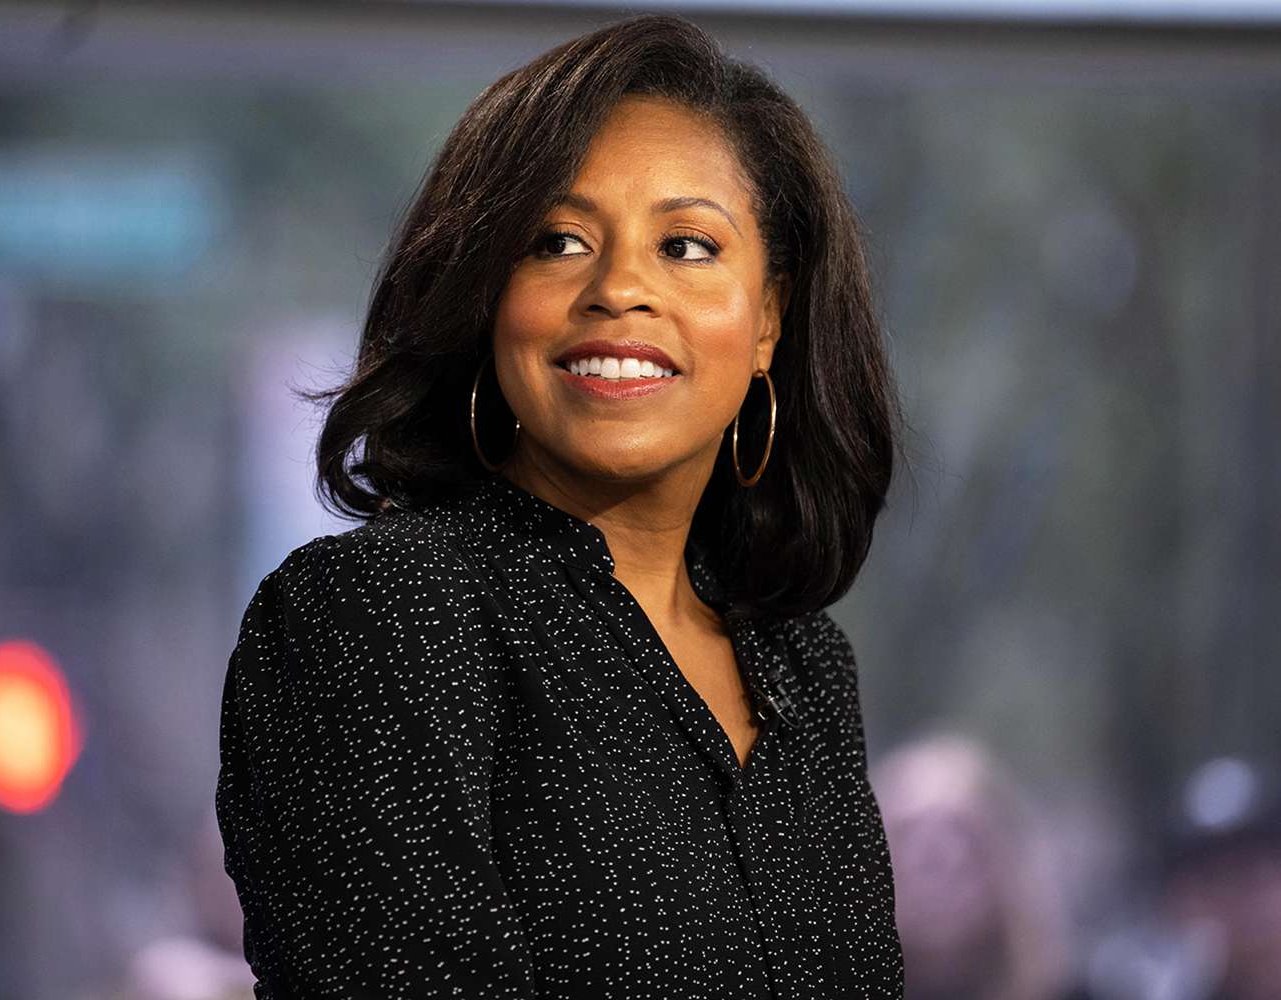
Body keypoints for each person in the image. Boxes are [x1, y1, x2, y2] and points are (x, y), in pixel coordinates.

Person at [216, 12, 906, 999]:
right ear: (486, 297)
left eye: (688, 245)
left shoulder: (805, 664)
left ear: (768, 319)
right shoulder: (372, 617)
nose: (619, 289)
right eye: (558, 241)